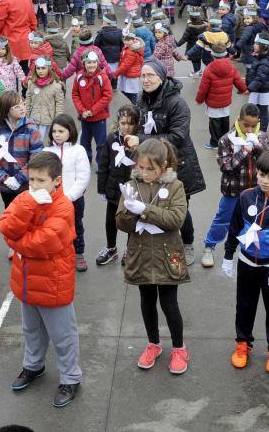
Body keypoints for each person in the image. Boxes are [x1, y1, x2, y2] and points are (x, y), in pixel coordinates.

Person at [0, 152, 82, 408]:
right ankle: (33, 366)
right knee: (31, 330)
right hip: (25, 280)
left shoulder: (64, 206)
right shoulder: (26, 198)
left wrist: (17, 243)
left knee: (62, 335)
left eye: (40, 180)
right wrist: (27, 205)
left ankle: (71, 377)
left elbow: (43, 243)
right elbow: (5, 226)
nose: (34, 185)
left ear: (56, 181)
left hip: (53, 282)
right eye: (31, 179)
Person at [115, 139, 190, 374]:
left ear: (164, 165)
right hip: (141, 255)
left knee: (169, 304)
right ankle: (153, 344)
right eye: (140, 167)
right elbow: (120, 222)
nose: (144, 173)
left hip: (167, 255)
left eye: (150, 168)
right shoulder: (131, 185)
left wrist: (145, 210)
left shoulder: (176, 186)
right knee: (147, 302)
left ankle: (179, 348)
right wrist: (128, 211)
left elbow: (176, 220)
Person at [222, 149, 269, 373]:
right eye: (261, 175)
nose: (264, 181)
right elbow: (235, 225)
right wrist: (229, 255)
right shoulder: (246, 196)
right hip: (247, 263)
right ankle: (242, 343)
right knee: (244, 306)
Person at [134, 59, 206, 266]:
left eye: (150, 75)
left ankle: (188, 243)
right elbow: (138, 126)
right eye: (143, 76)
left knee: (179, 209)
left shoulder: (177, 103)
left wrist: (141, 140)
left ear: (162, 77)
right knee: (155, 204)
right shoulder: (142, 99)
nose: (146, 80)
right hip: (151, 165)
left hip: (177, 164)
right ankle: (160, 242)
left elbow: (178, 137)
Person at [203, 104, 269, 267]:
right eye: (245, 125)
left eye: (253, 126)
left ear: (259, 123)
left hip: (257, 192)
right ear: (238, 120)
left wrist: (258, 146)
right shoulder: (226, 139)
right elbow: (227, 167)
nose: (249, 129)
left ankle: (250, 250)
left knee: (255, 220)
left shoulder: (262, 137)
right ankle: (209, 246)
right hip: (233, 191)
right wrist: (245, 150)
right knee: (223, 220)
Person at [44, 114, 90, 272]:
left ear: (70, 131)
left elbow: (83, 177)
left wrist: (69, 197)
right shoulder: (47, 151)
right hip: (51, 200)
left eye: (61, 131)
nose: (57, 134)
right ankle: (56, 253)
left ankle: (78, 254)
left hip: (73, 200)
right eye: (54, 131)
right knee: (53, 227)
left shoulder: (79, 150)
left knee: (76, 226)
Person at [0, 91, 44, 211]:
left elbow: (37, 156)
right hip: (5, 185)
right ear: (6, 110)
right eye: (17, 106)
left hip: (27, 184)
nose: (22, 108)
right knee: (10, 213)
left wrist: (20, 177)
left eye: (23, 104)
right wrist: (4, 178)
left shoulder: (31, 128)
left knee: (26, 214)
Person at [96, 104, 139, 266]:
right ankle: (111, 248)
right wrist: (102, 188)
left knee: (131, 220)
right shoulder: (111, 138)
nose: (126, 127)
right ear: (118, 122)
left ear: (136, 123)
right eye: (123, 123)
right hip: (113, 187)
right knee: (110, 220)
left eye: (130, 123)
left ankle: (130, 249)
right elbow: (104, 163)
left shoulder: (139, 141)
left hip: (132, 188)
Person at [196, 43, 248, 149]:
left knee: (214, 123)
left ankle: (215, 143)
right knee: (225, 120)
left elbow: (203, 88)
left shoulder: (209, 69)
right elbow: (238, 81)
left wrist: (199, 99)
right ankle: (225, 140)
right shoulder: (231, 66)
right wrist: (243, 90)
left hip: (213, 102)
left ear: (212, 54)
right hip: (225, 101)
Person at [71, 50, 112, 164]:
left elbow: (107, 96)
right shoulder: (79, 77)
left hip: (99, 117)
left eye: (94, 62)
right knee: (85, 142)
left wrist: (93, 111)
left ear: (98, 63)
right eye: (88, 62)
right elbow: (75, 94)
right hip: (85, 117)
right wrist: (82, 110)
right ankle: (86, 161)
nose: (92, 65)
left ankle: (101, 163)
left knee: (101, 143)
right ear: (84, 63)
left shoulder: (102, 77)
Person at [0, 0, 38, 72]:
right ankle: (26, 87)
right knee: (24, 68)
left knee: (8, 71)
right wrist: (33, 33)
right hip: (25, 39)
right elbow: (33, 20)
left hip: (10, 40)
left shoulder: (6, 0)